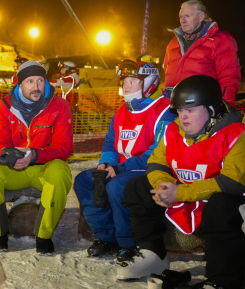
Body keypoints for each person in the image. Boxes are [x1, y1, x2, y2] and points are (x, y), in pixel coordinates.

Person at [118, 75, 245, 289]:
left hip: (221, 212)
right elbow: (156, 163)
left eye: (190, 110)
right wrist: (163, 184)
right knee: (138, 186)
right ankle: (152, 252)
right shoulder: (173, 130)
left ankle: (223, 283)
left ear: (211, 109)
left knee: (223, 205)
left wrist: (180, 193)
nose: (182, 117)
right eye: (179, 111)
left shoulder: (238, 134)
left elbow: (232, 183)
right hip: (184, 201)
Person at [73, 59, 173, 258]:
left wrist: (121, 168)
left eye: (132, 81)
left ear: (149, 82)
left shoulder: (164, 110)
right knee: (85, 180)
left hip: (150, 167)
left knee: (116, 186)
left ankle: (129, 243)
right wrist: (107, 162)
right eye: (124, 82)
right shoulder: (122, 110)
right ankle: (106, 237)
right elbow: (111, 142)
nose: (125, 86)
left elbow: (159, 152)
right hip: (122, 167)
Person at [0, 61, 73, 253]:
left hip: (42, 167)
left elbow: (64, 148)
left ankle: (43, 236)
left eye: (40, 80)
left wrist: (35, 154)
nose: (36, 86)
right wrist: (8, 154)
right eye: (30, 81)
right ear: (19, 84)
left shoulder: (59, 105)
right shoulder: (5, 106)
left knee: (61, 172)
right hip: (13, 168)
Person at [163, 0, 240, 105]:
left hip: (202, 106)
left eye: (187, 16)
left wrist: (225, 107)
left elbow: (229, 79)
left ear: (201, 17)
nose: (183, 20)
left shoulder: (221, 40)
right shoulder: (173, 42)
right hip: (172, 105)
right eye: (181, 16)